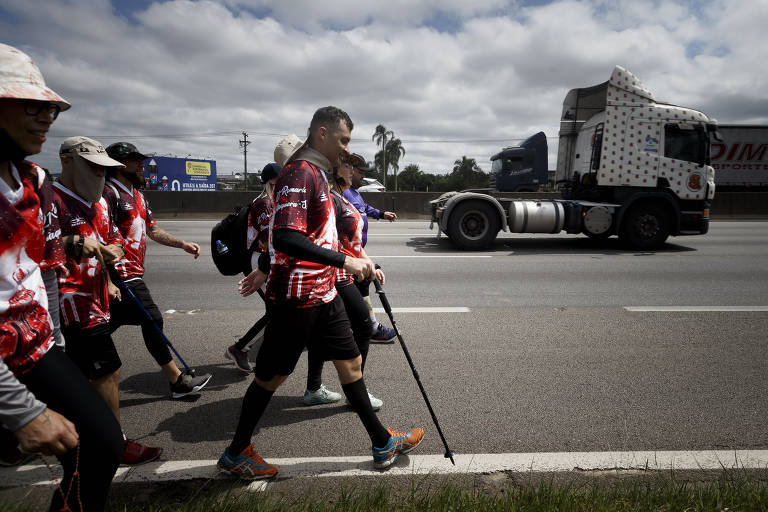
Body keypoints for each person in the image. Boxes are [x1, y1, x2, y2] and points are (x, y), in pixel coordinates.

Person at [217, 106, 423, 479]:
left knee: (351, 364)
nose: (346, 149)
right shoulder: (299, 173)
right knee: (271, 378)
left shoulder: (318, 176)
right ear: (322, 134)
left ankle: (381, 442)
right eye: (343, 140)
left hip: (324, 294)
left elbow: (322, 237)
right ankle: (236, 452)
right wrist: (346, 263)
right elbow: (286, 238)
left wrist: (355, 259)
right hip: (296, 299)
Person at [0, 43, 123, 511]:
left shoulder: (29, 178)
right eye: (30, 104)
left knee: (100, 444)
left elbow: (39, 265)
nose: (47, 116)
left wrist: (56, 343)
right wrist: (22, 410)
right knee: (97, 442)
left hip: (36, 342)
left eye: (50, 107)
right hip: (7, 350)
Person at [53, 136, 161, 466]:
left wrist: (111, 266)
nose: (100, 175)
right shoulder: (49, 201)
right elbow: (27, 246)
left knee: (73, 373)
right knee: (106, 371)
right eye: (94, 167)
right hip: (65, 302)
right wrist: (70, 242)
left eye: (104, 169)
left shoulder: (100, 203)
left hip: (96, 298)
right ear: (68, 162)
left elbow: (112, 241)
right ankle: (114, 442)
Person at [103, 141, 212, 400]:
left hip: (133, 272)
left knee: (105, 324)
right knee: (153, 318)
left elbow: (152, 230)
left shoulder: (138, 195)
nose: (141, 164)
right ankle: (177, 381)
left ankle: (67, 357)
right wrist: (108, 277)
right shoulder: (108, 194)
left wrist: (181, 243)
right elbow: (99, 234)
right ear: (118, 165)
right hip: (121, 272)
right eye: (134, 159)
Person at [304, 159, 386, 410]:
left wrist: (369, 262)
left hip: (345, 273)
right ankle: (355, 393)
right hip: (333, 275)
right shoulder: (329, 198)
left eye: (355, 168)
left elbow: (352, 241)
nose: (354, 172)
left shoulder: (345, 197)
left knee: (319, 335)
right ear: (335, 169)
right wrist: (351, 262)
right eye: (349, 166)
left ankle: (314, 388)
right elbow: (322, 240)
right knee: (363, 326)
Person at [225, 162, 280, 373]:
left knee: (275, 311)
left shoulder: (272, 202)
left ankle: (262, 352)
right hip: (259, 260)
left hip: (265, 258)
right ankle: (240, 349)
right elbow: (269, 241)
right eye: (277, 182)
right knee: (276, 311)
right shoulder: (264, 204)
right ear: (269, 183)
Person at [343, 154, 398, 343]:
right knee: (358, 287)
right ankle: (370, 328)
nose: (362, 177)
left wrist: (382, 214)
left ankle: (364, 326)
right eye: (360, 173)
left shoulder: (355, 193)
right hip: (348, 254)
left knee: (358, 289)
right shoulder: (342, 192)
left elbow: (364, 207)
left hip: (357, 251)